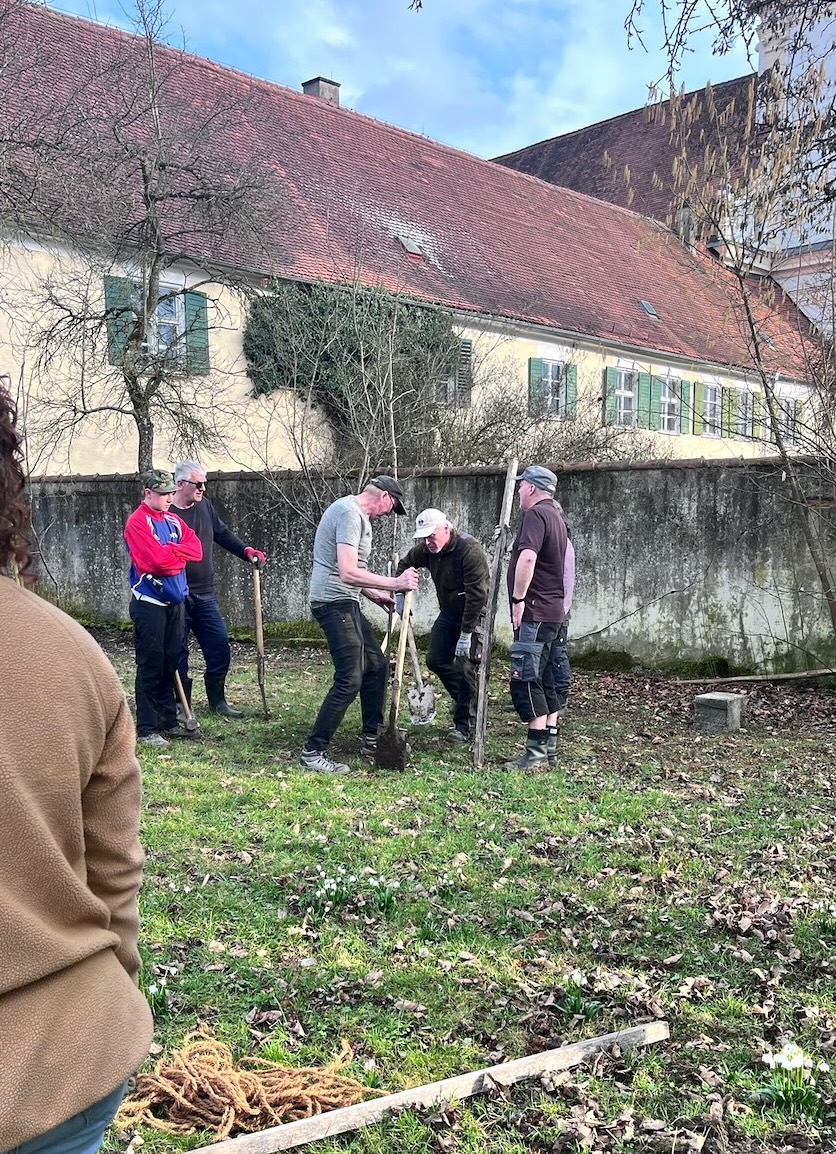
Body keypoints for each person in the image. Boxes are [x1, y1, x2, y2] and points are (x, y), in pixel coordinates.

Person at [0, 380, 153, 1154]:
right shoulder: (74, 652)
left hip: (61, 1050)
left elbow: (190, 554)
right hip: (74, 1049)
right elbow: (114, 871)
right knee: (158, 672)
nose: (180, 495)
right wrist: (117, 979)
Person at [301, 475, 419, 775]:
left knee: (376, 665)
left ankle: (372, 738)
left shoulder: (356, 515)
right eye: (392, 508)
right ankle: (313, 752)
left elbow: (355, 574)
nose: (388, 514)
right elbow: (347, 572)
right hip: (332, 602)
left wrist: (376, 594)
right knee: (350, 677)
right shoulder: (350, 514)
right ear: (384, 497)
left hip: (345, 601)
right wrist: (394, 583)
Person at [171, 461, 266, 718]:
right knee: (177, 652)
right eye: (198, 484)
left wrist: (246, 551)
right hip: (175, 594)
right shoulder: (166, 513)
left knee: (219, 646)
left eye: (205, 483)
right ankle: (181, 705)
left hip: (205, 593)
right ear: (180, 484)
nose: (203, 488)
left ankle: (218, 701)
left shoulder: (204, 506)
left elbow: (221, 534)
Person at [396, 508, 490, 743]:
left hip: (474, 614)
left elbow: (477, 596)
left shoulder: (469, 550)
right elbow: (404, 565)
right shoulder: (427, 550)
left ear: (446, 529)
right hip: (449, 613)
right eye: (424, 537)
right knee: (436, 659)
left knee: (466, 666)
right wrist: (399, 594)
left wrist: (467, 634)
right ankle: (466, 701)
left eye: (431, 536)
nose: (427, 542)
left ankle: (464, 726)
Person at [124, 468, 203, 748]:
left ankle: (169, 721)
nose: (169, 498)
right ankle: (147, 727)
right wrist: (176, 557)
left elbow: (197, 551)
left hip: (176, 601)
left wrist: (173, 556)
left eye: (171, 492)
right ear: (148, 493)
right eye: (163, 493)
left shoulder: (173, 521)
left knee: (173, 661)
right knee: (151, 662)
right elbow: (153, 562)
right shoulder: (137, 523)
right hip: (150, 604)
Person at [505, 464, 568, 771]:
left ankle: (535, 754)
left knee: (526, 678)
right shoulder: (556, 517)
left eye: (521, 486)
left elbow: (528, 557)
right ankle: (549, 747)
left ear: (531, 487)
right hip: (554, 613)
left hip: (535, 611)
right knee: (546, 678)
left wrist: (518, 600)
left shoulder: (536, 515)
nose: (518, 490)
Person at [545, 505, 575, 766]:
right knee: (552, 654)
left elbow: (565, 581)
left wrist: (561, 611)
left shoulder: (563, 546)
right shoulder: (556, 543)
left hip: (558, 610)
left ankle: (561, 694)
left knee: (557, 653)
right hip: (555, 609)